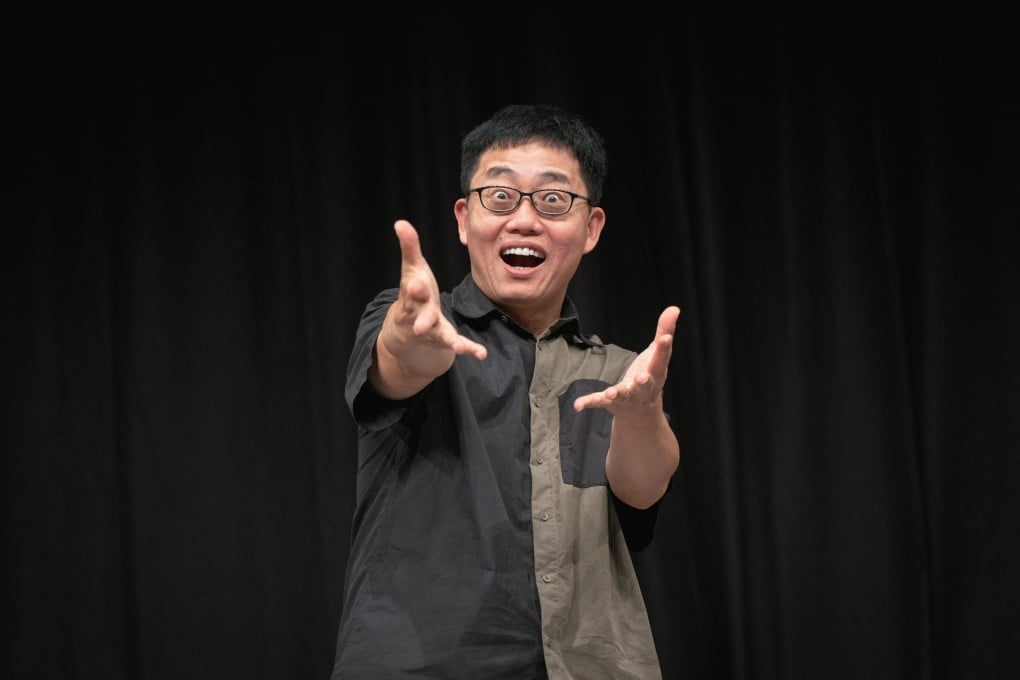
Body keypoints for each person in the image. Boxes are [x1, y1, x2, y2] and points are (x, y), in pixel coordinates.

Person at [330, 103, 681, 679]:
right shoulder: (414, 318)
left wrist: (641, 414)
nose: (524, 220)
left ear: (591, 228)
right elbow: (399, 364)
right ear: (464, 219)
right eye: (500, 197)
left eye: (553, 200)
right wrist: (413, 337)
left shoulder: (622, 370)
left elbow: (644, 493)